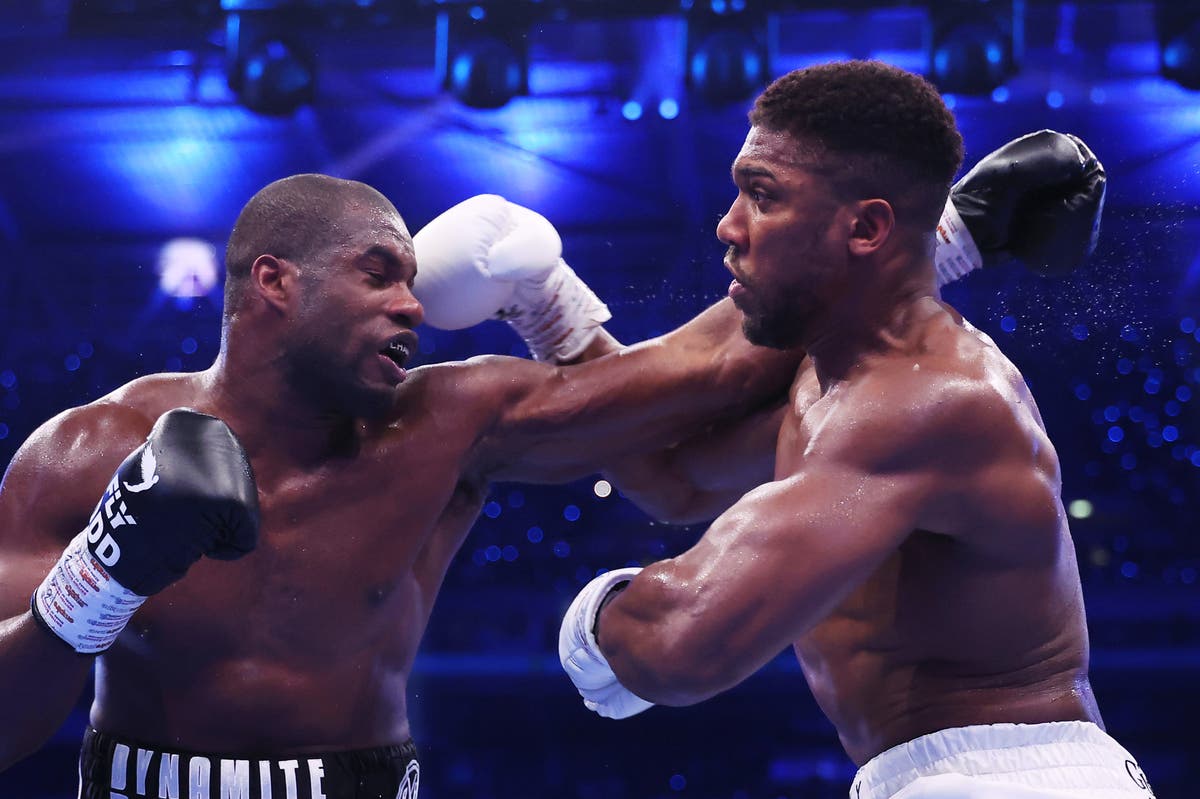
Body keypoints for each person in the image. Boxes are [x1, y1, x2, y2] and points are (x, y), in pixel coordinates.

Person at [0, 115, 1099, 798]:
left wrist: (937, 238)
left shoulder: (449, 421)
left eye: (412, 279)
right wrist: (101, 575)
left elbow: (707, 373)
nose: (413, 306)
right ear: (274, 283)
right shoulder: (88, 451)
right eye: (381, 275)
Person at [557, 60, 1141, 799]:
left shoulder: (925, 403)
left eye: (762, 196)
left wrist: (590, 625)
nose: (727, 225)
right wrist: (551, 309)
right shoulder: (832, 379)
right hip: (938, 770)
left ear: (866, 228)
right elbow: (672, 473)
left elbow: (679, 642)